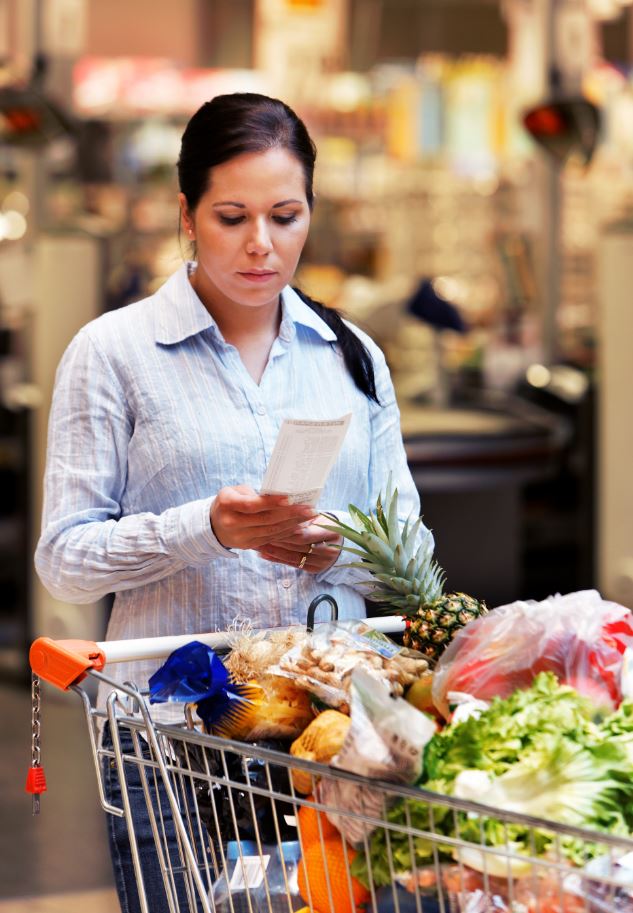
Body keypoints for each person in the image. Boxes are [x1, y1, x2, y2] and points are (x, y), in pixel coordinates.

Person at [34, 93, 428, 913]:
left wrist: (333, 543)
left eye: (285, 215)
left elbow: (414, 552)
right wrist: (204, 528)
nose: (261, 243)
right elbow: (65, 560)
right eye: (231, 216)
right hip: (170, 735)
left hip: (335, 733)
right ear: (185, 214)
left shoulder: (351, 356)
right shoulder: (113, 354)